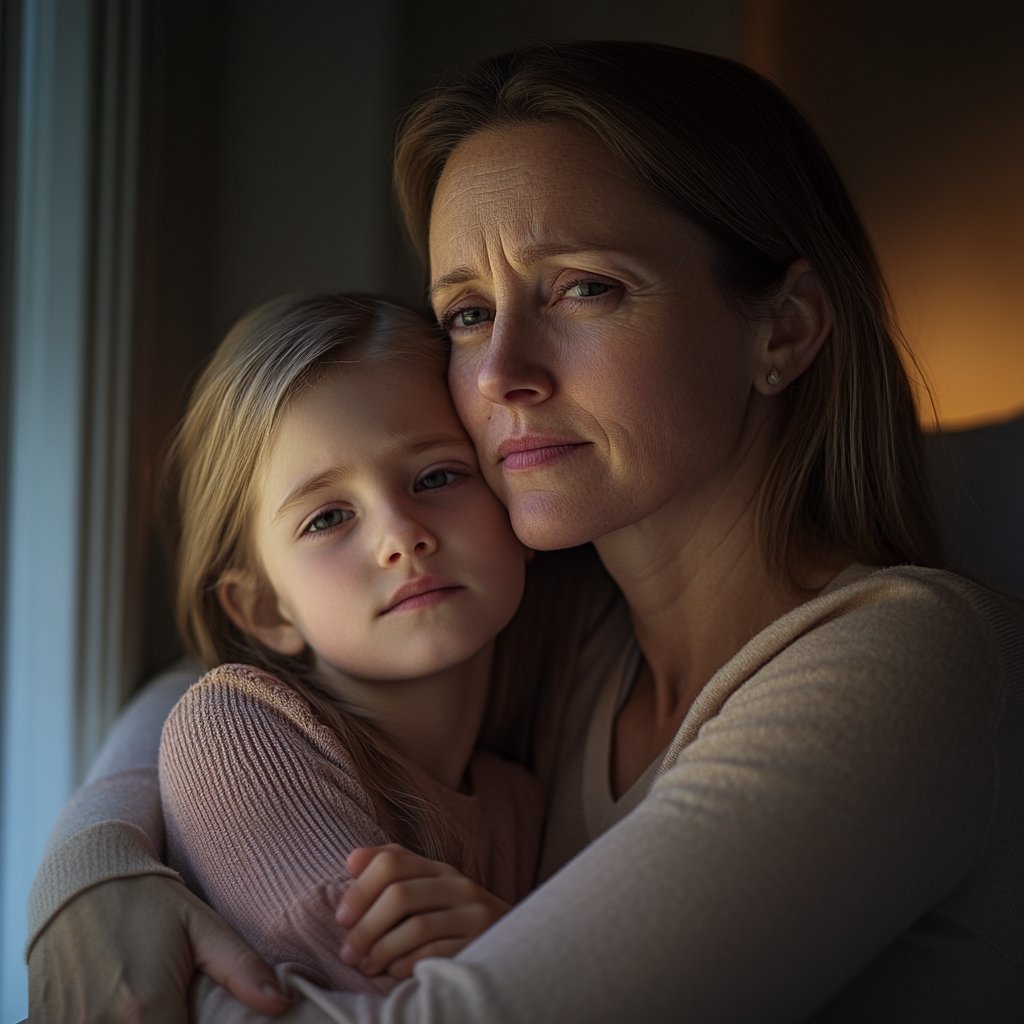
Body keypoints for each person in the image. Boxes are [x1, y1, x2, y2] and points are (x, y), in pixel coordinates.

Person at [26, 40, 1024, 1023]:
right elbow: (222, 683)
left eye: (584, 288)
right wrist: (93, 865)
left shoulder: (915, 662)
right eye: (465, 312)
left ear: (784, 328)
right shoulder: (569, 632)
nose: (502, 371)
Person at [152, 292, 542, 998]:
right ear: (266, 608)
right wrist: (522, 950)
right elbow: (392, 987)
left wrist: (502, 941)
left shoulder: (522, 802)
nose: (401, 535)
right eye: (328, 517)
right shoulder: (234, 733)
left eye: (437, 477)